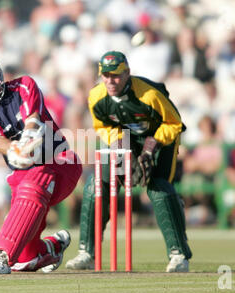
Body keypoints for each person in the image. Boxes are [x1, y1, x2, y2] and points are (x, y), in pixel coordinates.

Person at [65, 51, 192, 272]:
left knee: (159, 189)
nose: (110, 81)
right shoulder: (96, 96)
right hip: (124, 140)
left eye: (115, 75)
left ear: (127, 73)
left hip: (159, 141)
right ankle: (87, 253)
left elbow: (174, 123)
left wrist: (150, 148)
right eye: (105, 75)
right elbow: (103, 127)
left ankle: (178, 254)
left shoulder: (149, 95)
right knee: (96, 184)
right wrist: (122, 146)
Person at [0, 52, 82, 274]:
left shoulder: (23, 85)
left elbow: (33, 116)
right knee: (24, 261)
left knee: (33, 182)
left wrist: (27, 138)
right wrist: (12, 149)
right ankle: (51, 248)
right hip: (24, 178)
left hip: (60, 161)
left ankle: (1, 254)